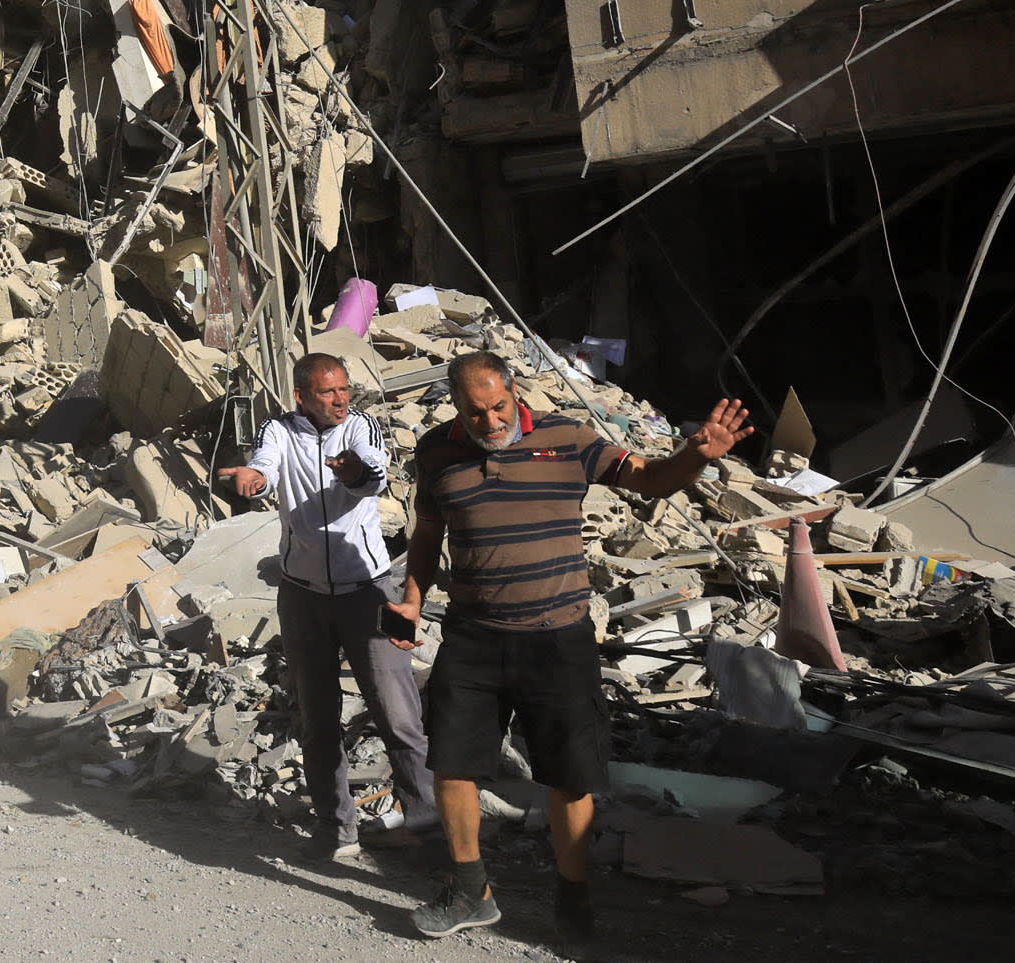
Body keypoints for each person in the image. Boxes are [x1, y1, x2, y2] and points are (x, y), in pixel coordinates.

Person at [390, 352, 748, 942]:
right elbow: (428, 535)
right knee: (451, 765)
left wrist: (693, 456)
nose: (488, 421)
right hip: (473, 636)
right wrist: (410, 596)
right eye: (474, 412)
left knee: (570, 775)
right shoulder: (434, 451)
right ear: (454, 405)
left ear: (515, 392)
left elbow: (648, 478)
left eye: (498, 406)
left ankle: (574, 900)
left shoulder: (568, 438)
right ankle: (471, 891)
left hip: (558, 639)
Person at [216, 353, 437, 858]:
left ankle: (429, 826)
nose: (340, 400)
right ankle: (337, 828)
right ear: (301, 396)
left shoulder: (360, 426)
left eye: (344, 389)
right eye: (328, 393)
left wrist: (355, 472)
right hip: (302, 596)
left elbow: (375, 476)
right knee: (317, 718)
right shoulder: (278, 430)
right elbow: (265, 467)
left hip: (369, 590)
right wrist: (253, 478)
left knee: (398, 713)